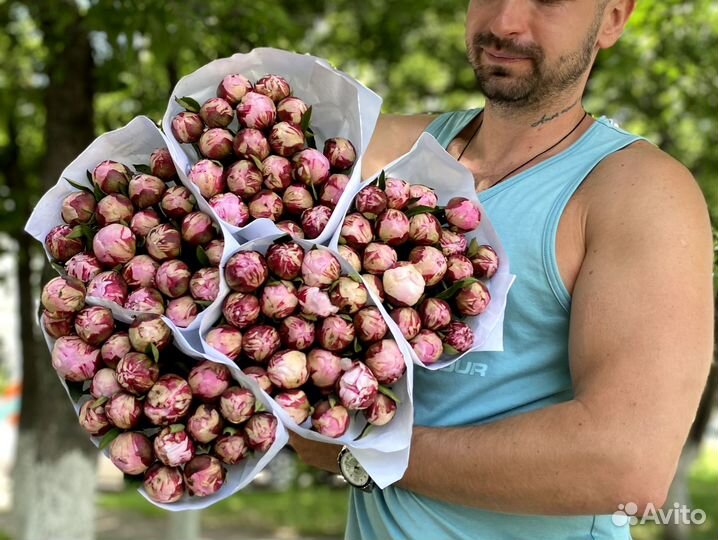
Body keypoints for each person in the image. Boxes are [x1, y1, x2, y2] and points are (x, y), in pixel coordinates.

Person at [289, 0, 715, 538]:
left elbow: (626, 465)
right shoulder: (384, 152)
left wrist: (365, 451)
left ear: (612, 19)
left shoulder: (638, 194)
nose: (505, 21)